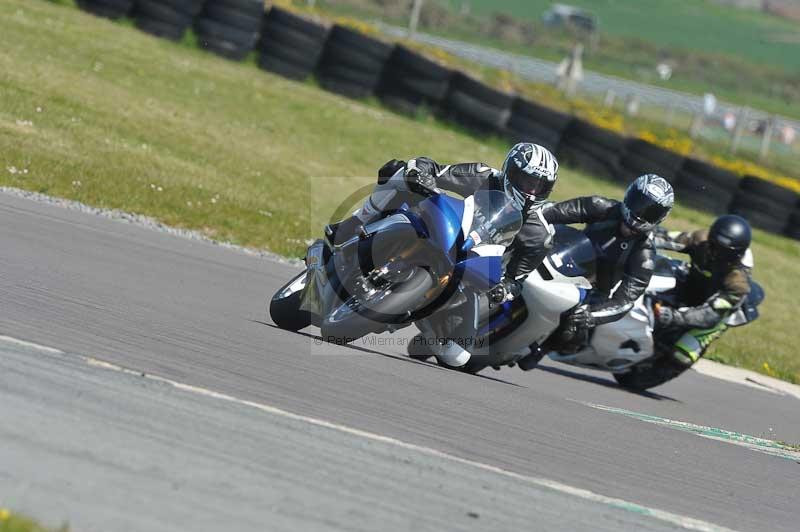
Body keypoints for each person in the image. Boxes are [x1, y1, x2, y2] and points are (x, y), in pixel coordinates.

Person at [541, 174, 675, 353]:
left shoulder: (644, 256)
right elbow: (551, 212)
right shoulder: (601, 207)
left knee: (571, 332)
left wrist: (591, 316)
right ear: (629, 196)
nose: (641, 214)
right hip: (559, 259)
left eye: (650, 212)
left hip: (591, 292)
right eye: (639, 203)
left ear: (660, 218)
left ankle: (538, 350)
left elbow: (624, 302)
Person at [651, 214, 753, 367]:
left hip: (715, 307)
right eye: (713, 246)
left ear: (736, 254)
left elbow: (710, 314)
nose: (714, 253)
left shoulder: (738, 281)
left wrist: (675, 317)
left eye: (723, 252)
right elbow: (665, 237)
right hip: (693, 281)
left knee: (682, 356)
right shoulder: (700, 239)